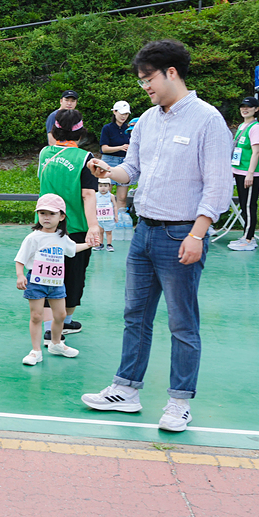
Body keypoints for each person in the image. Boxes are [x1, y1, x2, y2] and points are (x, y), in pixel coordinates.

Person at [83, 39, 233, 433]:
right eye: (140, 81)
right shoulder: (147, 120)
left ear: (171, 73)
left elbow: (217, 187)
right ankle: (125, 390)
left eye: (148, 79)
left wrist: (198, 234)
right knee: (135, 316)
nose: (144, 87)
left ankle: (179, 401)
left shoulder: (207, 120)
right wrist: (107, 171)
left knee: (182, 323)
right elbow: (131, 169)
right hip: (144, 232)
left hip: (181, 233)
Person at [37, 108, 101, 341]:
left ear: (54, 129)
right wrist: (93, 226)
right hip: (75, 229)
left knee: (48, 273)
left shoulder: (45, 154)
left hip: (45, 226)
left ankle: (48, 325)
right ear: (81, 132)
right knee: (72, 277)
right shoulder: (85, 159)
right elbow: (88, 194)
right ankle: (63, 322)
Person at [15, 194, 93, 366]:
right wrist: (20, 275)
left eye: (51, 214)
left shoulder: (61, 237)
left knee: (61, 315)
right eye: (42, 213)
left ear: (62, 216)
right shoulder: (33, 237)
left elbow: (72, 249)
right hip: (36, 283)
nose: (46, 217)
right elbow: (20, 258)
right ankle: (36, 351)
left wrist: (89, 244)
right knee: (36, 316)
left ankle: (56, 344)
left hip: (56, 283)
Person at [228, 96, 259, 251]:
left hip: (249, 174)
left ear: (256, 109)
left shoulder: (256, 128)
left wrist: (250, 173)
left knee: (249, 206)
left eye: (249, 107)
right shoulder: (242, 126)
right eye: (243, 106)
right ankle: (245, 236)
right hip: (239, 171)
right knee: (244, 205)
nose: (245, 109)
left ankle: (249, 239)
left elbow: (256, 152)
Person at [99, 100, 133, 243]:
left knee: (122, 197)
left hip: (125, 162)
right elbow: (104, 148)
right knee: (105, 194)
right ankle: (103, 224)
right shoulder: (107, 128)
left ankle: (120, 224)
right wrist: (120, 147)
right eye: (121, 113)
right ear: (114, 112)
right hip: (109, 161)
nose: (123, 116)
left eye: (126, 114)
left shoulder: (130, 128)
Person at [94, 179, 117, 251]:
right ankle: (100, 244)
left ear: (109, 186)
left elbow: (115, 206)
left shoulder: (111, 196)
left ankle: (109, 244)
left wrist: (116, 216)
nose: (103, 188)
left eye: (105, 186)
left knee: (109, 231)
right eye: (100, 186)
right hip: (99, 218)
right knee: (100, 231)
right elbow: (93, 206)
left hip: (109, 218)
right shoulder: (95, 195)